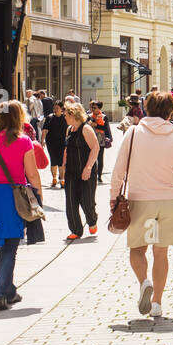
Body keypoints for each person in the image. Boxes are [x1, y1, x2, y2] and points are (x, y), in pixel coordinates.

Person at [110, 90, 173, 318]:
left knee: (138, 250)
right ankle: (157, 302)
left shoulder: (133, 134)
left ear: (147, 108)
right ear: (170, 112)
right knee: (161, 253)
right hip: (168, 203)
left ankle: (144, 282)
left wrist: (113, 197)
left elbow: (118, 171)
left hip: (141, 201)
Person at [0, 100, 43, 311]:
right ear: (17, 118)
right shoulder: (24, 142)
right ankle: (1, 291)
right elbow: (32, 174)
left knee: (4, 245)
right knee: (10, 247)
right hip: (16, 196)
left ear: (0, 118)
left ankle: (9, 289)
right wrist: (38, 196)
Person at [61, 102, 100, 240]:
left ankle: (92, 220)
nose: (64, 117)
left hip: (86, 170)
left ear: (73, 115)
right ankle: (76, 230)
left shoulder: (86, 129)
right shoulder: (69, 129)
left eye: (66, 115)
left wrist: (88, 167)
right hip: (71, 171)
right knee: (70, 201)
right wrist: (63, 165)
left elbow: (95, 148)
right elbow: (67, 148)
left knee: (87, 200)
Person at [41, 100, 68, 189]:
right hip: (51, 143)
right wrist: (42, 141)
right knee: (53, 160)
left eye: (57, 108)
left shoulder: (65, 117)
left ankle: (62, 180)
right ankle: (54, 178)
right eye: (54, 108)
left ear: (62, 109)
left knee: (61, 161)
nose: (55, 110)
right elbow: (45, 129)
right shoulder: (49, 117)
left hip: (62, 143)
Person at [88, 101, 110, 184]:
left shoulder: (104, 117)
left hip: (100, 140)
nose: (93, 109)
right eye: (92, 108)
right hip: (91, 139)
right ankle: (92, 173)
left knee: (100, 158)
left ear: (99, 108)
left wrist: (96, 125)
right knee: (91, 157)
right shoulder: (89, 117)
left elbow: (105, 128)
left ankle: (99, 175)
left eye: (95, 108)